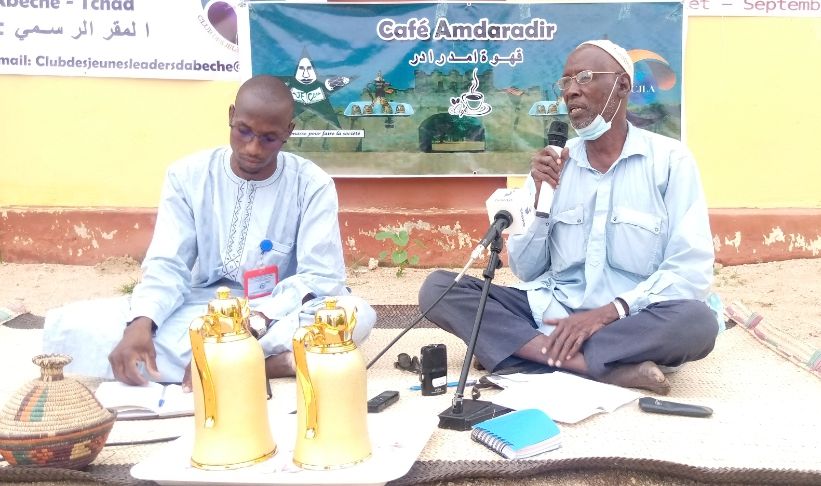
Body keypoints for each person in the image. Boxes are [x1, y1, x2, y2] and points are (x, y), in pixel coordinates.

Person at [418, 40, 717, 395]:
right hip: (553, 313)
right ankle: (598, 367)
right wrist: (542, 200)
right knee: (438, 289)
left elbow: (690, 269)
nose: (572, 91)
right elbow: (526, 270)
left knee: (698, 323)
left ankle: (523, 352)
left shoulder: (670, 161)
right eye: (565, 83)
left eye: (585, 78)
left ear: (622, 85)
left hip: (629, 318)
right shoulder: (556, 164)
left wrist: (608, 312)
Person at [43, 75, 375, 387]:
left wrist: (251, 326)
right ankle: (266, 363)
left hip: (273, 313)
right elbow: (167, 263)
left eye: (269, 138)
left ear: (288, 131)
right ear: (231, 116)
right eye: (244, 131)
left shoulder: (311, 184)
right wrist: (142, 322)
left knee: (354, 315)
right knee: (73, 324)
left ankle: (237, 361)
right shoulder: (187, 176)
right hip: (201, 306)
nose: (253, 148)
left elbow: (321, 278)